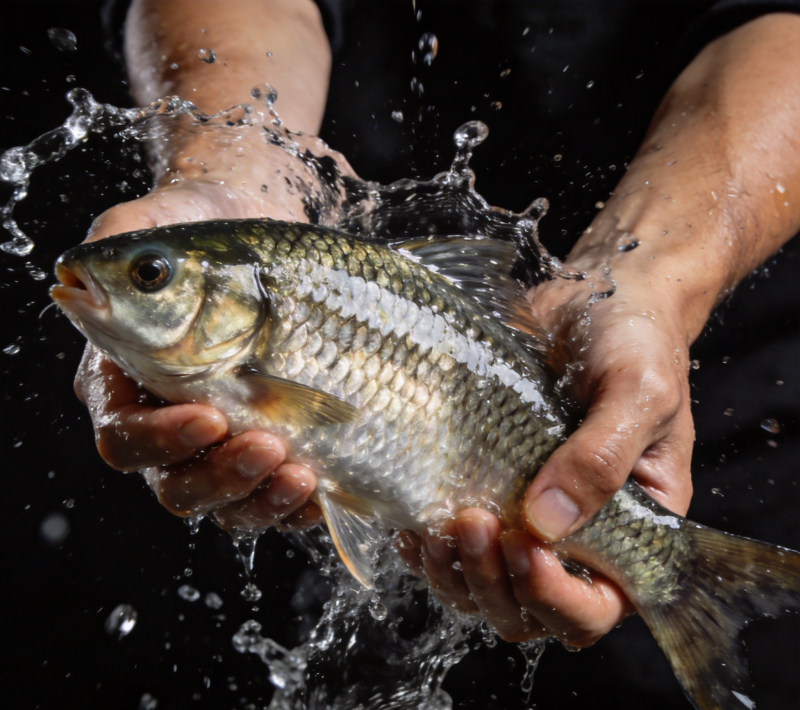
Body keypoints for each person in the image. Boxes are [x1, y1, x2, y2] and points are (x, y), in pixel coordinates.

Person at [77, 0, 800, 647]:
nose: (124, 282)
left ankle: (675, 573)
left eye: (150, 275)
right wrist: (228, 172)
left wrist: (648, 279)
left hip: (705, 405)